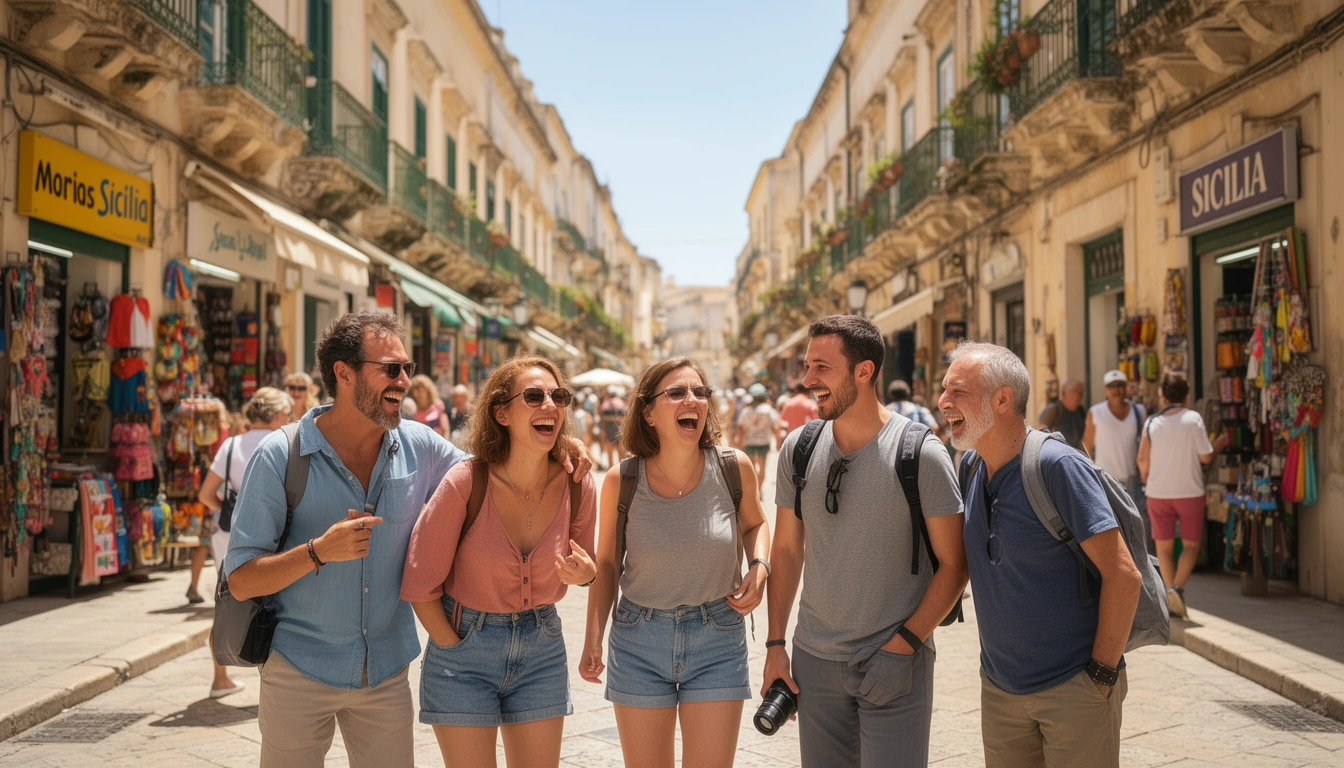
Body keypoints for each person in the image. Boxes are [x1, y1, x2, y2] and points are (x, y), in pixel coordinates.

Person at [225, 311, 590, 768]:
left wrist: (556, 448)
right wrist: (319, 551)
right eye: (390, 369)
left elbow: (495, 468)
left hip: (385, 674)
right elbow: (239, 580)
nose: (403, 381)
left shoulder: (420, 445)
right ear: (343, 373)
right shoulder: (281, 455)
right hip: (300, 669)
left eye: (406, 369)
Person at [765, 316, 968, 768]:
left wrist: (903, 648)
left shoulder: (922, 455)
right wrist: (775, 646)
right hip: (814, 664)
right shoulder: (798, 448)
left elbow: (956, 565)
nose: (807, 379)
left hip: (896, 659)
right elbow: (785, 550)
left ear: (864, 371)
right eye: (807, 365)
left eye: (821, 366)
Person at [938, 341, 1143, 768]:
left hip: (1073, 689)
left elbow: (1124, 574)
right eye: (944, 391)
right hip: (999, 691)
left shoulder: (1057, 466)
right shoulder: (971, 467)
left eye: (957, 391)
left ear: (1002, 399)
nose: (943, 403)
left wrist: (1101, 675)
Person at [402, 356, 596, 768]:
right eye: (534, 396)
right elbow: (419, 581)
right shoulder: (466, 481)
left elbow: (587, 563)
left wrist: (587, 574)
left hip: (542, 649)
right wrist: (450, 644)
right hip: (464, 652)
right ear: (501, 413)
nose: (550, 405)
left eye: (558, 396)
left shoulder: (577, 483)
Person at [580, 357, 771, 768]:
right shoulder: (622, 479)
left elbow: (755, 524)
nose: (693, 400)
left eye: (701, 392)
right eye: (677, 392)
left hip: (717, 637)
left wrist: (760, 566)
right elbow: (608, 564)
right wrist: (592, 636)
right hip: (638, 641)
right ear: (648, 413)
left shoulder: (734, 467)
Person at [197, 387, 292, 698]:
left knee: (225, 606)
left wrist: (235, 511)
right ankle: (277, 681)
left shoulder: (232, 444)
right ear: (277, 415)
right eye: (288, 414)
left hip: (228, 538)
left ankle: (219, 678)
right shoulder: (286, 443)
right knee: (281, 608)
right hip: (278, 536)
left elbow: (205, 494)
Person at [1137, 371, 1226, 619]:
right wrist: (1221, 442)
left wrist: (1146, 476)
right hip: (1189, 492)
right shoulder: (1193, 419)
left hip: (1158, 493)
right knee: (1191, 545)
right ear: (1187, 396)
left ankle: (1169, 592)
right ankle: (1178, 588)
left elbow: (1142, 459)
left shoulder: (1152, 423)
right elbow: (1206, 456)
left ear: (1162, 396)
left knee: (1163, 548)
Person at [1083, 370, 1150, 549]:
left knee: (1138, 524)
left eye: (1120, 385)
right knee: (1111, 526)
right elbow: (1086, 445)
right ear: (1106, 390)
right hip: (1105, 480)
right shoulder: (1095, 413)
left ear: (1126, 388)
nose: (1116, 390)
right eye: (1112, 387)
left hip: (1133, 480)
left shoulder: (1139, 411)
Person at [739, 382, 782, 495]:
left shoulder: (746, 410)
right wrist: (778, 441)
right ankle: (759, 489)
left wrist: (739, 441)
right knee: (762, 467)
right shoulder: (768, 410)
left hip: (749, 442)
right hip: (764, 442)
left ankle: (753, 491)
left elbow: (740, 427)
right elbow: (776, 426)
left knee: (751, 468)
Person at [1036, 378, 1087, 451]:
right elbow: (1041, 433)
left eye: (1080, 393)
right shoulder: (1053, 410)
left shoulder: (1082, 411)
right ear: (1064, 394)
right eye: (1073, 393)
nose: (1077, 396)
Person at [600, 387, 627, 470]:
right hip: (619, 431)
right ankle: (621, 473)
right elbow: (625, 417)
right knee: (621, 456)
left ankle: (611, 473)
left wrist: (603, 433)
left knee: (610, 456)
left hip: (609, 431)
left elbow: (602, 419)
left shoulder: (605, 403)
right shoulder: (621, 403)